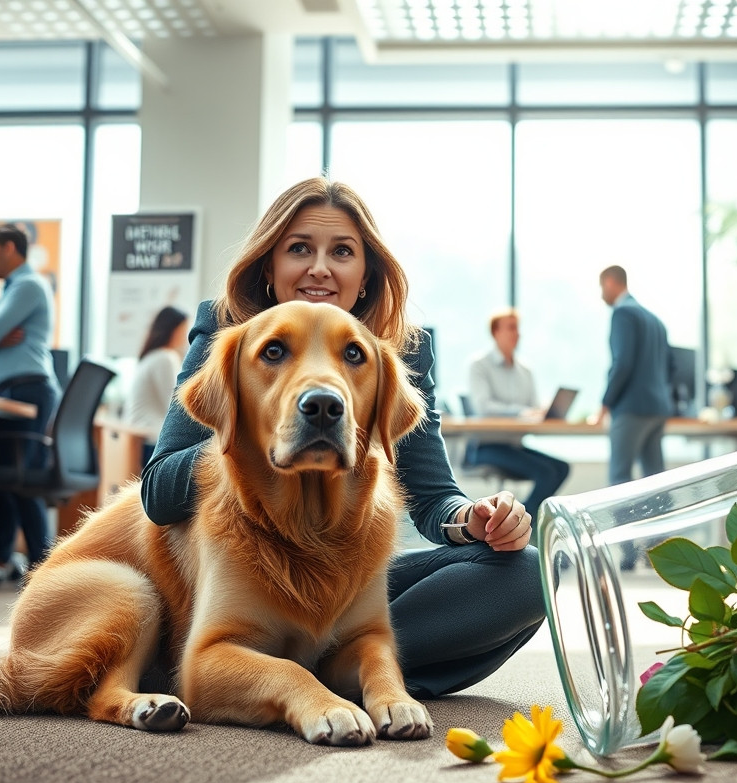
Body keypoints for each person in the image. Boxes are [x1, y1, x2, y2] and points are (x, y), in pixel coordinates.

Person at [141, 177, 545, 698]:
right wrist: (264, 425)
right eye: (299, 248)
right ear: (269, 267)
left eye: (342, 252)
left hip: (350, 579)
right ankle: (266, 666)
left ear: (365, 275)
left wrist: (472, 519)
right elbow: (158, 492)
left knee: (528, 574)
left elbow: (431, 494)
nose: (320, 267)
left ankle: (327, 667)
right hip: (246, 572)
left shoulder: (401, 351)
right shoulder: (229, 330)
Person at [0, 225, 62, 589]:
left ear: (9, 248)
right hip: (12, 392)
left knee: (22, 483)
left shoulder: (27, 286)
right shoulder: (14, 289)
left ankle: (47, 573)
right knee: (11, 481)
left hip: (26, 390)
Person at [466, 308, 570, 516]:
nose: (517, 333)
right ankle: (522, 520)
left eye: (518, 328)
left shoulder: (525, 370)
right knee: (546, 473)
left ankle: (520, 518)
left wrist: (542, 411)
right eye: (511, 328)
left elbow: (533, 408)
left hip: (514, 446)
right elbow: (483, 407)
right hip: (486, 446)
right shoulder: (479, 365)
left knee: (562, 468)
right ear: (495, 332)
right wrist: (523, 412)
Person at [591, 264, 671, 486]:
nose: (601, 295)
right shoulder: (655, 320)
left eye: (601, 287)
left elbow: (622, 364)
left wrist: (605, 404)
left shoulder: (623, 313)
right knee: (656, 481)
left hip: (632, 409)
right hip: (657, 409)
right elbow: (672, 366)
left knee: (620, 480)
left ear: (610, 282)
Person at [126, 305, 190, 468]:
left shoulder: (151, 356)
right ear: (172, 330)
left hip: (138, 439)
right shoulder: (165, 357)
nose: (186, 336)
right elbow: (175, 406)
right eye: (183, 330)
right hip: (152, 441)